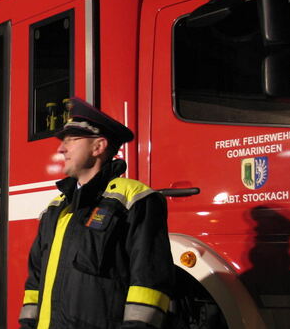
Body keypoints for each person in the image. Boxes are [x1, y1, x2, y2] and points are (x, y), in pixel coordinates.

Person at [19, 97, 175, 329]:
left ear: (98, 146)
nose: (62, 148)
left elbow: (149, 283)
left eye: (72, 140)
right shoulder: (55, 209)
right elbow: (35, 283)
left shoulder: (135, 199)